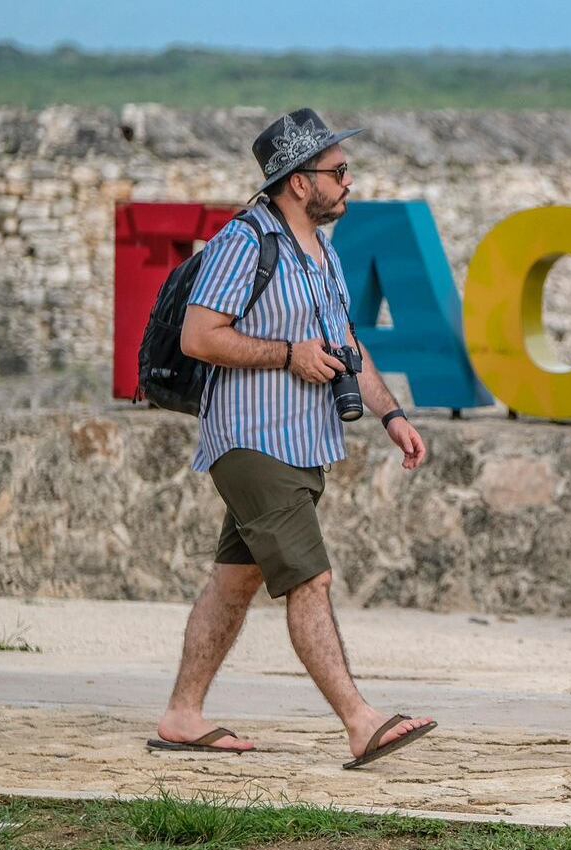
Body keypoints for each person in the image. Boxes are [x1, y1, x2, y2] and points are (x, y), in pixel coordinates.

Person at [150, 109, 436, 769]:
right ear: (297, 181)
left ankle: (182, 715)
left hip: (303, 443)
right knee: (312, 579)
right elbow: (200, 337)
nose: (348, 181)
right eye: (337, 172)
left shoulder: (324, 253)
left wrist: (393, 417)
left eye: (346, 170)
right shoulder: (244, 244)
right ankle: (361, 722)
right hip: (253, 440)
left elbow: (347, 346)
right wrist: (287, 356)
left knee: (234, 582)